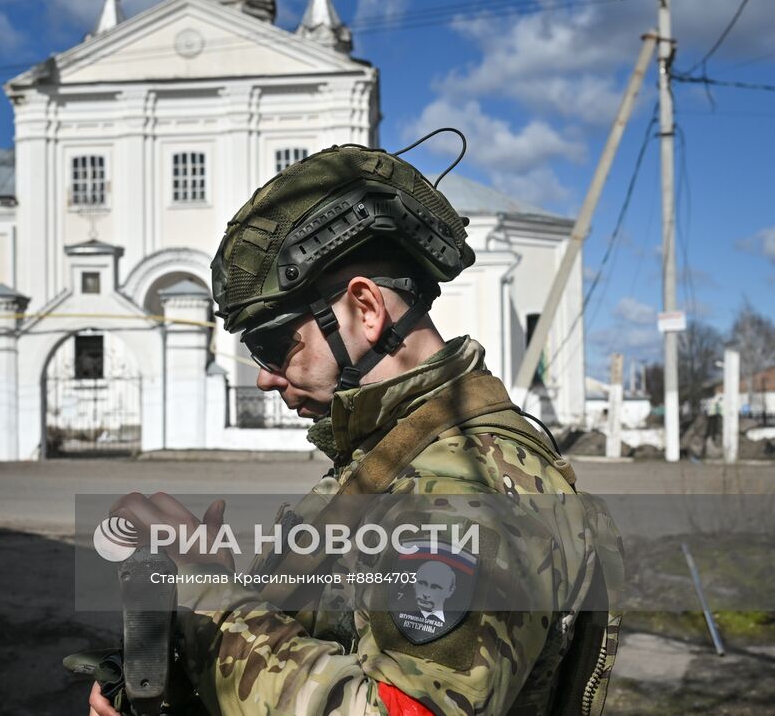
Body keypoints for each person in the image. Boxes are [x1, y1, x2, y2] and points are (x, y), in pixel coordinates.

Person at [89, 142, 623, 716]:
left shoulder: (463, 489)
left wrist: (209, 597)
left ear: (365, 310)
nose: (265, 378)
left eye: (273, 344)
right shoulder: (394, 456)